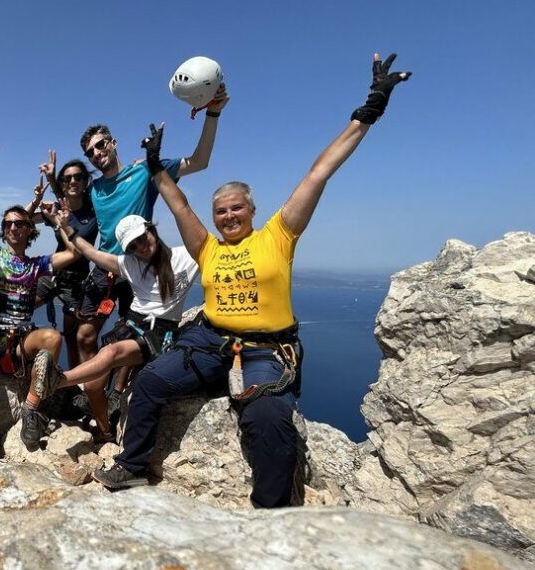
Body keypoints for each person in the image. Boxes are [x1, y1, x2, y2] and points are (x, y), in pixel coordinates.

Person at [93, 54, 412, 509]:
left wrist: (370, 108)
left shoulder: (278, 236)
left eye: (236, 207)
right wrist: (153, 165)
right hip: (209, 340)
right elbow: (180, 206)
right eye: (221, 210)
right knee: (149, 382)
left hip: (266, 348)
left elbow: (318, 173)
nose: (227, 215)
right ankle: (133, 466)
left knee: (267, 416)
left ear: (252, 210)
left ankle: (271, 512)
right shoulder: (208, 247)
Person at [77, 87, 228, 401]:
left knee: (135, 332)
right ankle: (89, 389)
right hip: (106, 269)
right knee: (86, 334)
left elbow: (199, 161)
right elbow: (74, 209)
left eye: (100, 144)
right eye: (90, 152)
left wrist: (212, 113)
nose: (96, 153)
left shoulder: (145, 171)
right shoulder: (93, 188)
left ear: (113, 142)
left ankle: (116, 393)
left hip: (139, 269)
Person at [0, 141, 81, 467]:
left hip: (21, 336)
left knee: (52, 339)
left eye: (20, 223)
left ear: (29, 230)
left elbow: (74, 254)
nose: (12, 226)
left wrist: (59, 224)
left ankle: (31, 408)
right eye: (8, 223)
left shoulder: (37, 264)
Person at [31, 207, 201, 442]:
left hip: (159, 333)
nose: (140, 248)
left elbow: (216, 258)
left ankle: (58, 380)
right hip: (131, 325)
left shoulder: (187, 256)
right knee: (92, 386)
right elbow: (89, 251)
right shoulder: (129, 264)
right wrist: (65, 227)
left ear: (151, 229)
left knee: (111, 352)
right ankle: (105, 432)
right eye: (132, 246)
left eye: (142, 238)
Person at [25, 151, 100, 370]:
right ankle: (20, 352)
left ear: (86, 181)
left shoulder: (95, 211)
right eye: (67, 179)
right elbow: (23, 220)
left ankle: (74, 386)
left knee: (70, 336)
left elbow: (81, 246)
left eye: (78, 177)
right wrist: (36, 200)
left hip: (77, 282)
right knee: (21, 307)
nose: (73, 181)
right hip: (54, 274)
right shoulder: (57, 209)